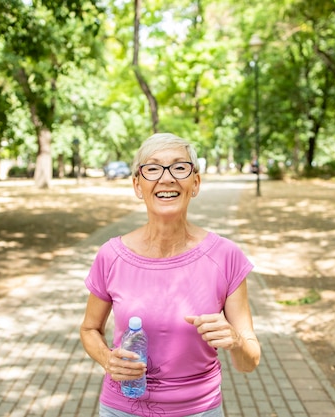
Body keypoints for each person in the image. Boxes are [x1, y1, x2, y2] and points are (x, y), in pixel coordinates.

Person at [80, 133, 261, 417]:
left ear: (195, 183)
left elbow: (249, 361)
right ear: (138, 185)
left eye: (179, 167)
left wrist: (236, 340)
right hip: (122, 409)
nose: (166, 179)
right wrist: (107, 359)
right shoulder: (111, 255)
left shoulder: (226, 256)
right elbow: (89, 329)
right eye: (152, 168)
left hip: (200, 410)